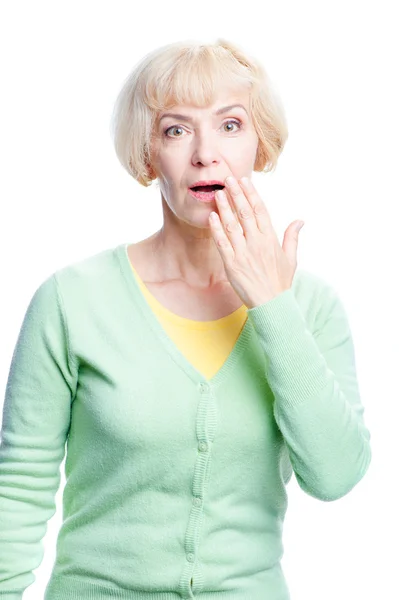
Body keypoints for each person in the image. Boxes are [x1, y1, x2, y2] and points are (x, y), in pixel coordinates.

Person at [0, 38, 372, 600]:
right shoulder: (70, 300)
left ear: (261, 146)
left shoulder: (310, 306)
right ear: (149, 154)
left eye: (230, 125)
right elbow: (19, 492)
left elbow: (336, 476)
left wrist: (273, 307)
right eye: (176, 129)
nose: (205, 153)